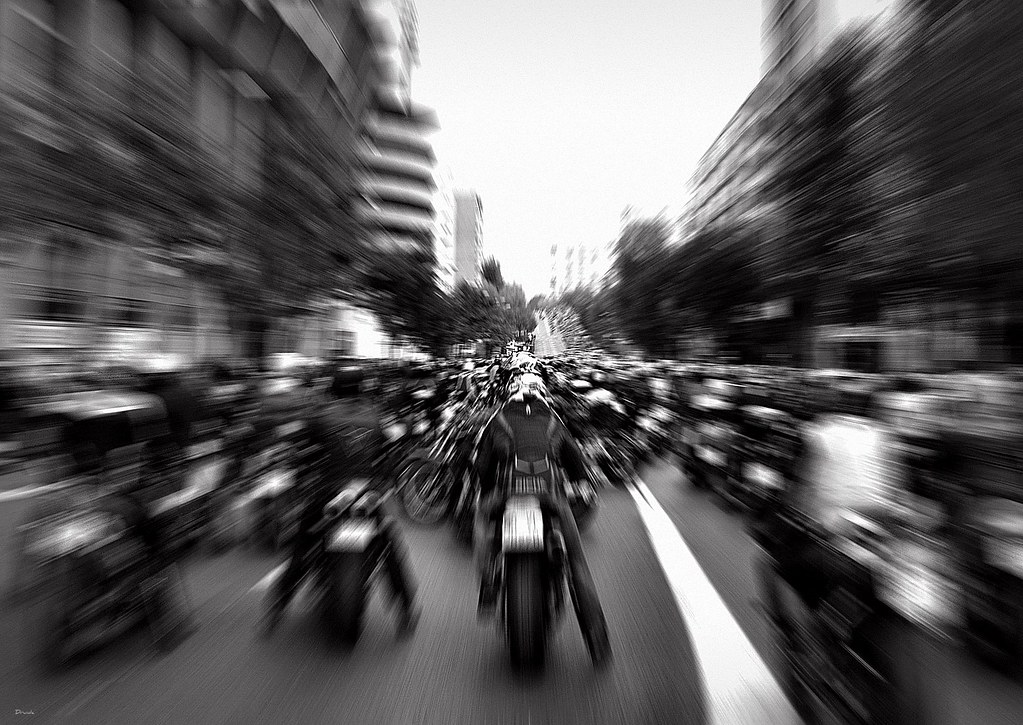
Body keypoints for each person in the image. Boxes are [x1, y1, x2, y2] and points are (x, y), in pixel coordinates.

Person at [262, 366, 420, 637]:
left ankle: (278, 605)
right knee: (388, 545)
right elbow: (390, 447)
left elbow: (298, 446)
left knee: (302, 544)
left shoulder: (320, 415)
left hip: (328, 492)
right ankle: (406, 609)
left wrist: (296, 464)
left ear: (333, 388)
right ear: (362, 387)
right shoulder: (376, 414)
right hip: (367, 493)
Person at [473, 373, 611, 665]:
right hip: (550, 497)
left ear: (509, 393)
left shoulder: (497, 419)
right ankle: (597, 641)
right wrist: (579, 480)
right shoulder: (553, 420)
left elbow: (482, 467)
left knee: (481, 517)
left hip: (507, 494)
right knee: (576, 561)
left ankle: (487, 585)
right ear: (542, 395)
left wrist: (486, 492)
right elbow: (576, 462)